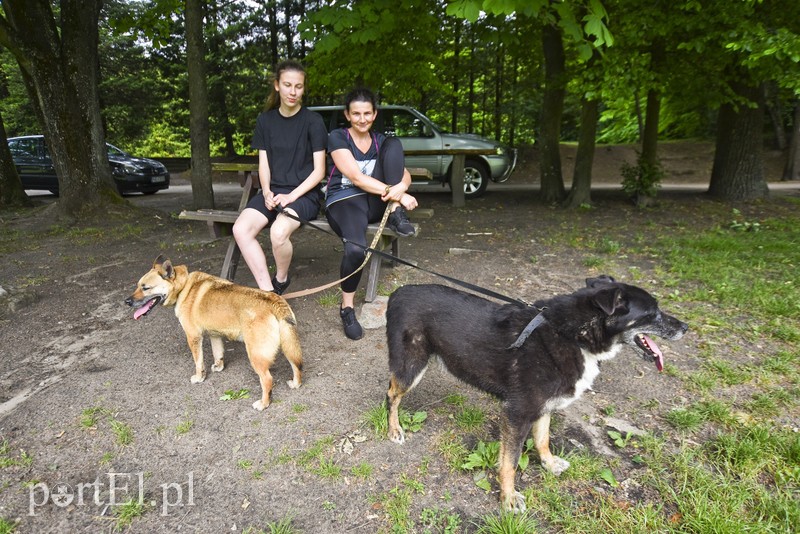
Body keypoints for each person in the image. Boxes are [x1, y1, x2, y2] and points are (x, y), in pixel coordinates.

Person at [324, 87, 418, 340]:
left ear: (375, 114)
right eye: (356, 114)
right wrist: (398, 192)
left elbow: (404, 174)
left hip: (377, 200)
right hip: (344, 199)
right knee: (356, 249)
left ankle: (396, 213)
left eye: (367, 113)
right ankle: (347, 308)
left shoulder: (380, 141)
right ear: (347, 114)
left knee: (394, 144)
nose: (362, 119)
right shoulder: (337, 137)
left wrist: (402, 188)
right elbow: (355, 177)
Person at [232, 60, 328, 294]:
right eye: (287, 85)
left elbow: (319, 171)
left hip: (303, 195)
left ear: (303, 88)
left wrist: (291, 196)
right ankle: (268, 292)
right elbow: (263, 164)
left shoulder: (313, 122)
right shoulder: (265, 121)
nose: (293, 92)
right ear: (277, 86)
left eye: (298, 86)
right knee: (241, 229)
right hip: (272, 192)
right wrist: (266, 192)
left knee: (278, 232)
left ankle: (281, 280)